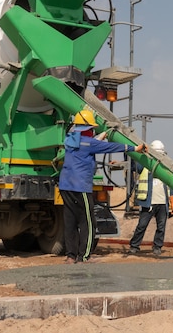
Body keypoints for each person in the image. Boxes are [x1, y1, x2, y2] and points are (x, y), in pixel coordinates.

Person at [59, 109, 146, 264]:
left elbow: (86, 144)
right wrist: (134, 148)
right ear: (88, 129)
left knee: (70, 221)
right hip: (80, 187)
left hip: (65, 185)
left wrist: (99, 137)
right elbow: (111, 147)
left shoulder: (69, 139)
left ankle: (71, 256)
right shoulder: (91, 143)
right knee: (88, 221)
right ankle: (84, 256)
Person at [128, 140, 173, 256]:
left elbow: (171, 184)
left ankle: (157, 247)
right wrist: (132, 152)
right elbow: (134, 166)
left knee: (161, 227)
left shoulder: (165, 167)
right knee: (142, 225)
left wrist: (172, 200)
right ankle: (134, 246)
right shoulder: (145, 163)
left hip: (162, 202)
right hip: (147, 202)